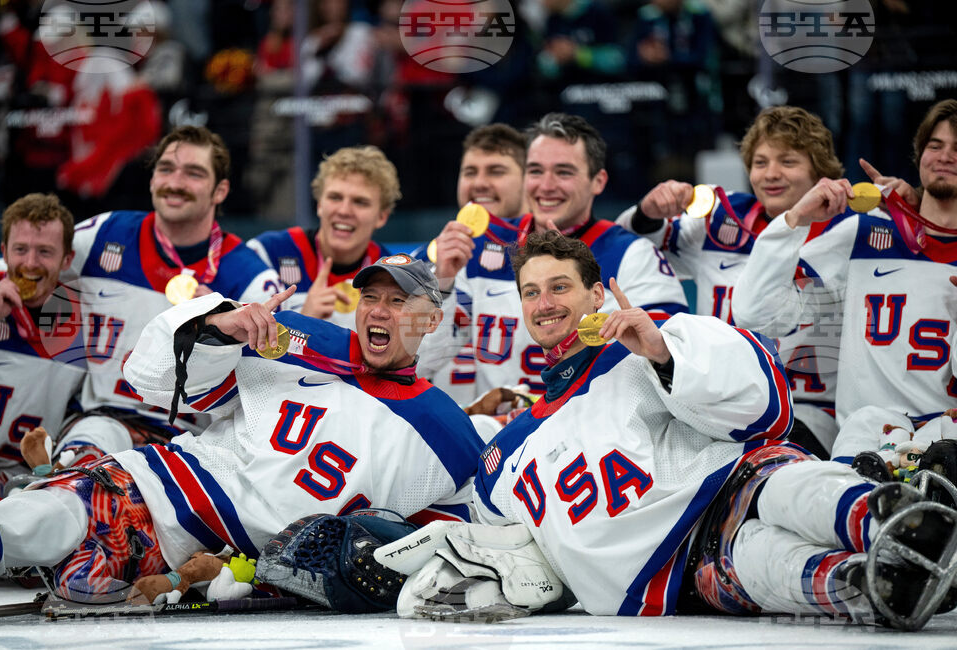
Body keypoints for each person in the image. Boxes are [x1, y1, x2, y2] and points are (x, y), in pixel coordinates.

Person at [378, 231, 957, 631]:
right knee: (777, 570)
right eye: (531, 291)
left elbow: (762, 404)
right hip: (673, 576)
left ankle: (898, 522)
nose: (543, 302)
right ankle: (885, 583)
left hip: (729, 483)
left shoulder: (642, 347)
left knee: (787, 490)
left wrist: (661, 355)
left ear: (597, 296)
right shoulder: (502, 457)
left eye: (560, 287)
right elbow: (515, 549)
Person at [0, 254, 482, 602]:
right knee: (28, 524)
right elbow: (149, 377)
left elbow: (445, 542)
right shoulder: (287, 338)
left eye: (398, 301)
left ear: (432, 320)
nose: (379, 311)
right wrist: (213, 327)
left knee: (60, 569)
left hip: (208, 563)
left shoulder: (449, 434)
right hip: (147, 489)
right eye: (371, 298)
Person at [417, 113, 687, 419]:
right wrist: (442, 285)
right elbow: (419, 361)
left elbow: (674, 365)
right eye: (535, 171)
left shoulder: (634, 256)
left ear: (598, 181)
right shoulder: (478, 249)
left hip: (595, 433)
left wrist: (573, 278)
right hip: (500, 440)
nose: (546, 186)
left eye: (564, 172)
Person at [731, 99, 957, 464]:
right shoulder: (863, 232)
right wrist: (796, 219)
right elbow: (755, 314)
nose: (945, 156)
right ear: (919, 155)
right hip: (863, 438)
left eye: (956, 148)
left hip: (948, 444)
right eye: (935, 145)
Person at [617, 106, 847, 457]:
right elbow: (628, 248)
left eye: (787, 162)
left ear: (819, 171)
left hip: (806, 408)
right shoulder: (720, 220)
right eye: (760, 162)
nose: (771, 174)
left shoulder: (846, 234)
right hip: (714, 396)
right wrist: (648, 211)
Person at [50, 126, 280, 467]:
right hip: (99, 422)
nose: (175, 182)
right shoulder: (105, 233)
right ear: (152, 179)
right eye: (166, 169)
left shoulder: (252, 279)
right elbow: (23, 267)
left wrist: (218, 332)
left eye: (194, 173)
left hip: (190, 445)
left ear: (220, 191)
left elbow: (268, 385)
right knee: (79, 464)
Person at [0, 194, 86, 507]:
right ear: (3, 251)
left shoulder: (86, 320)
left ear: (66, 260)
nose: (29, 263)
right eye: (20, 249)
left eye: (44, 252)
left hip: (25, 473)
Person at [415, 124, 528, 405]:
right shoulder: (421, 260)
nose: (479, 183)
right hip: (448, 433)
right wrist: (441, 282)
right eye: (469, 172)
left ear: (530, 180)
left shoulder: (555, 259)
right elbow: (407, 362)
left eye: (496, 171)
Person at [248, 146, 397, 329]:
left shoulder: (392, 274)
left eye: (360, 202)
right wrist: (303, 321)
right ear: (319, 205)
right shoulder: (267, 253)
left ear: (382, 216)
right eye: (335, 197)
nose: (344, 211)